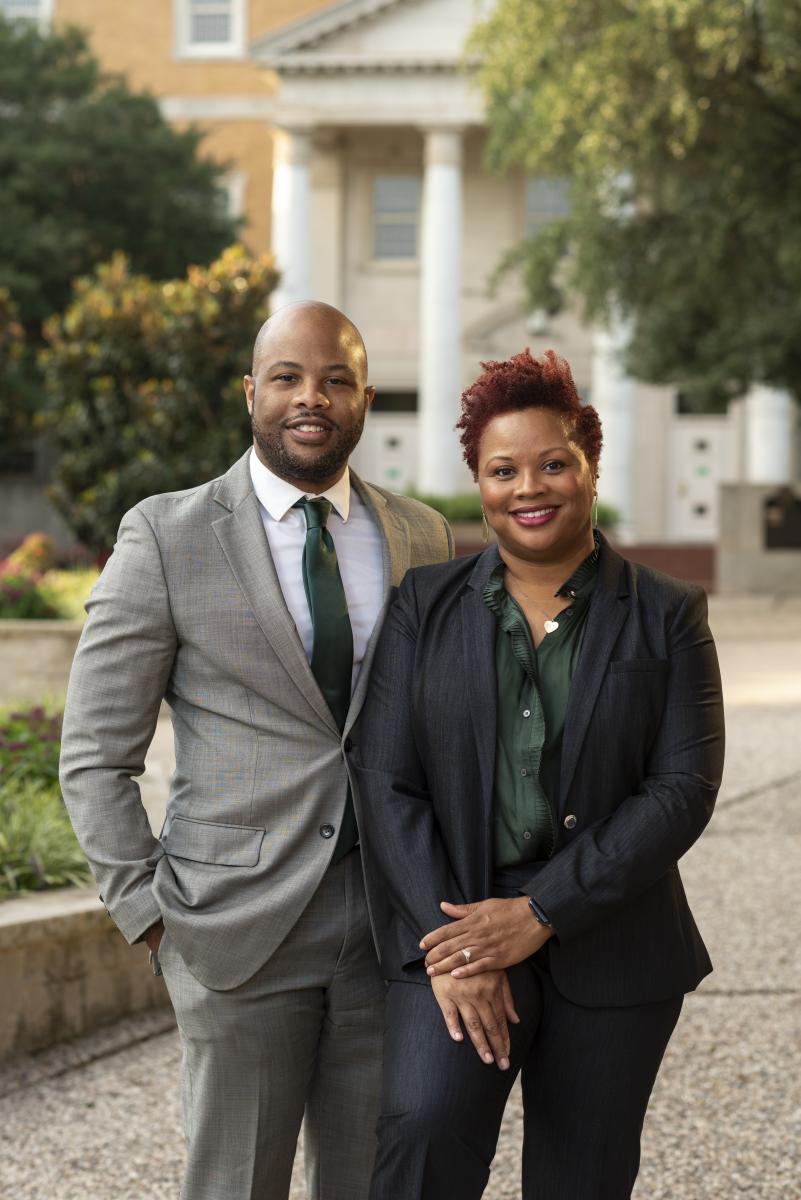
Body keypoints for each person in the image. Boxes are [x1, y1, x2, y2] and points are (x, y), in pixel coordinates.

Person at [58, 301, 453, 1200]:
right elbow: (93, 753)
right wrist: (151, 918)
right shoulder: (166, 534)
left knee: (374, 1181)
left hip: (389, 925)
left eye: (335, 379)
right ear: (251, 393)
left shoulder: (420, 536)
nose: (310, 398)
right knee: (235, 1183)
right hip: (231, 929)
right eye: (287, 377)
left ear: (363, 398)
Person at [350, 349, 725, 1200]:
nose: (529, 487)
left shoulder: (667, 613)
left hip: (615, 937)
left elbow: (681, 789)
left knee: (581, 1178)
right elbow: (382, 776)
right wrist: (460, 947)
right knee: (422, 1133)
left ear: (589, 466)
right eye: (502, 469)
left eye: (552, 463)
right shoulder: (423, 604)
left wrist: (541, 911)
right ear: (477, 483)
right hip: (453, 917)